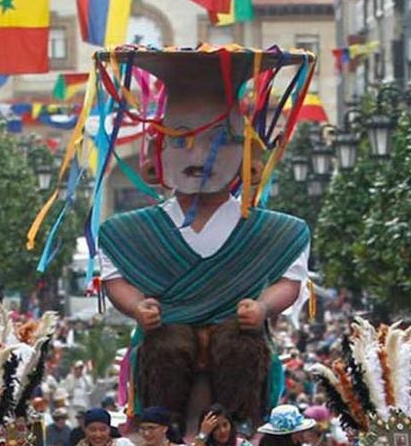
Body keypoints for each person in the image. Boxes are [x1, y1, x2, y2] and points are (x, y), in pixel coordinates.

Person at [97, 47, 313, 425]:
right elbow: (115, 280)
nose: (199, 155)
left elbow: (289, 282)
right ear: (156, 153)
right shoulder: (126, 233)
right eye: (179, 140)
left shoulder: (279, 233)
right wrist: (137, 307)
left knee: (241, 360)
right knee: (163, 371)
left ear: (248, 153)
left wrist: (262, 307)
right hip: (165, 353)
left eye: (219, 141)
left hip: (237, 354)